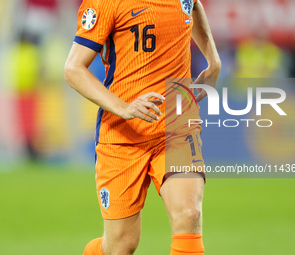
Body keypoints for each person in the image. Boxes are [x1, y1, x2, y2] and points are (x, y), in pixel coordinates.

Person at [64, 0, 221, 254]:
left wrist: (213, 59)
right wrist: (124, 107)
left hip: (177, 121)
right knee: (121, 245)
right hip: (122, 133)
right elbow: (73, 69)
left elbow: (192, 5)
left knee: (189, 214)